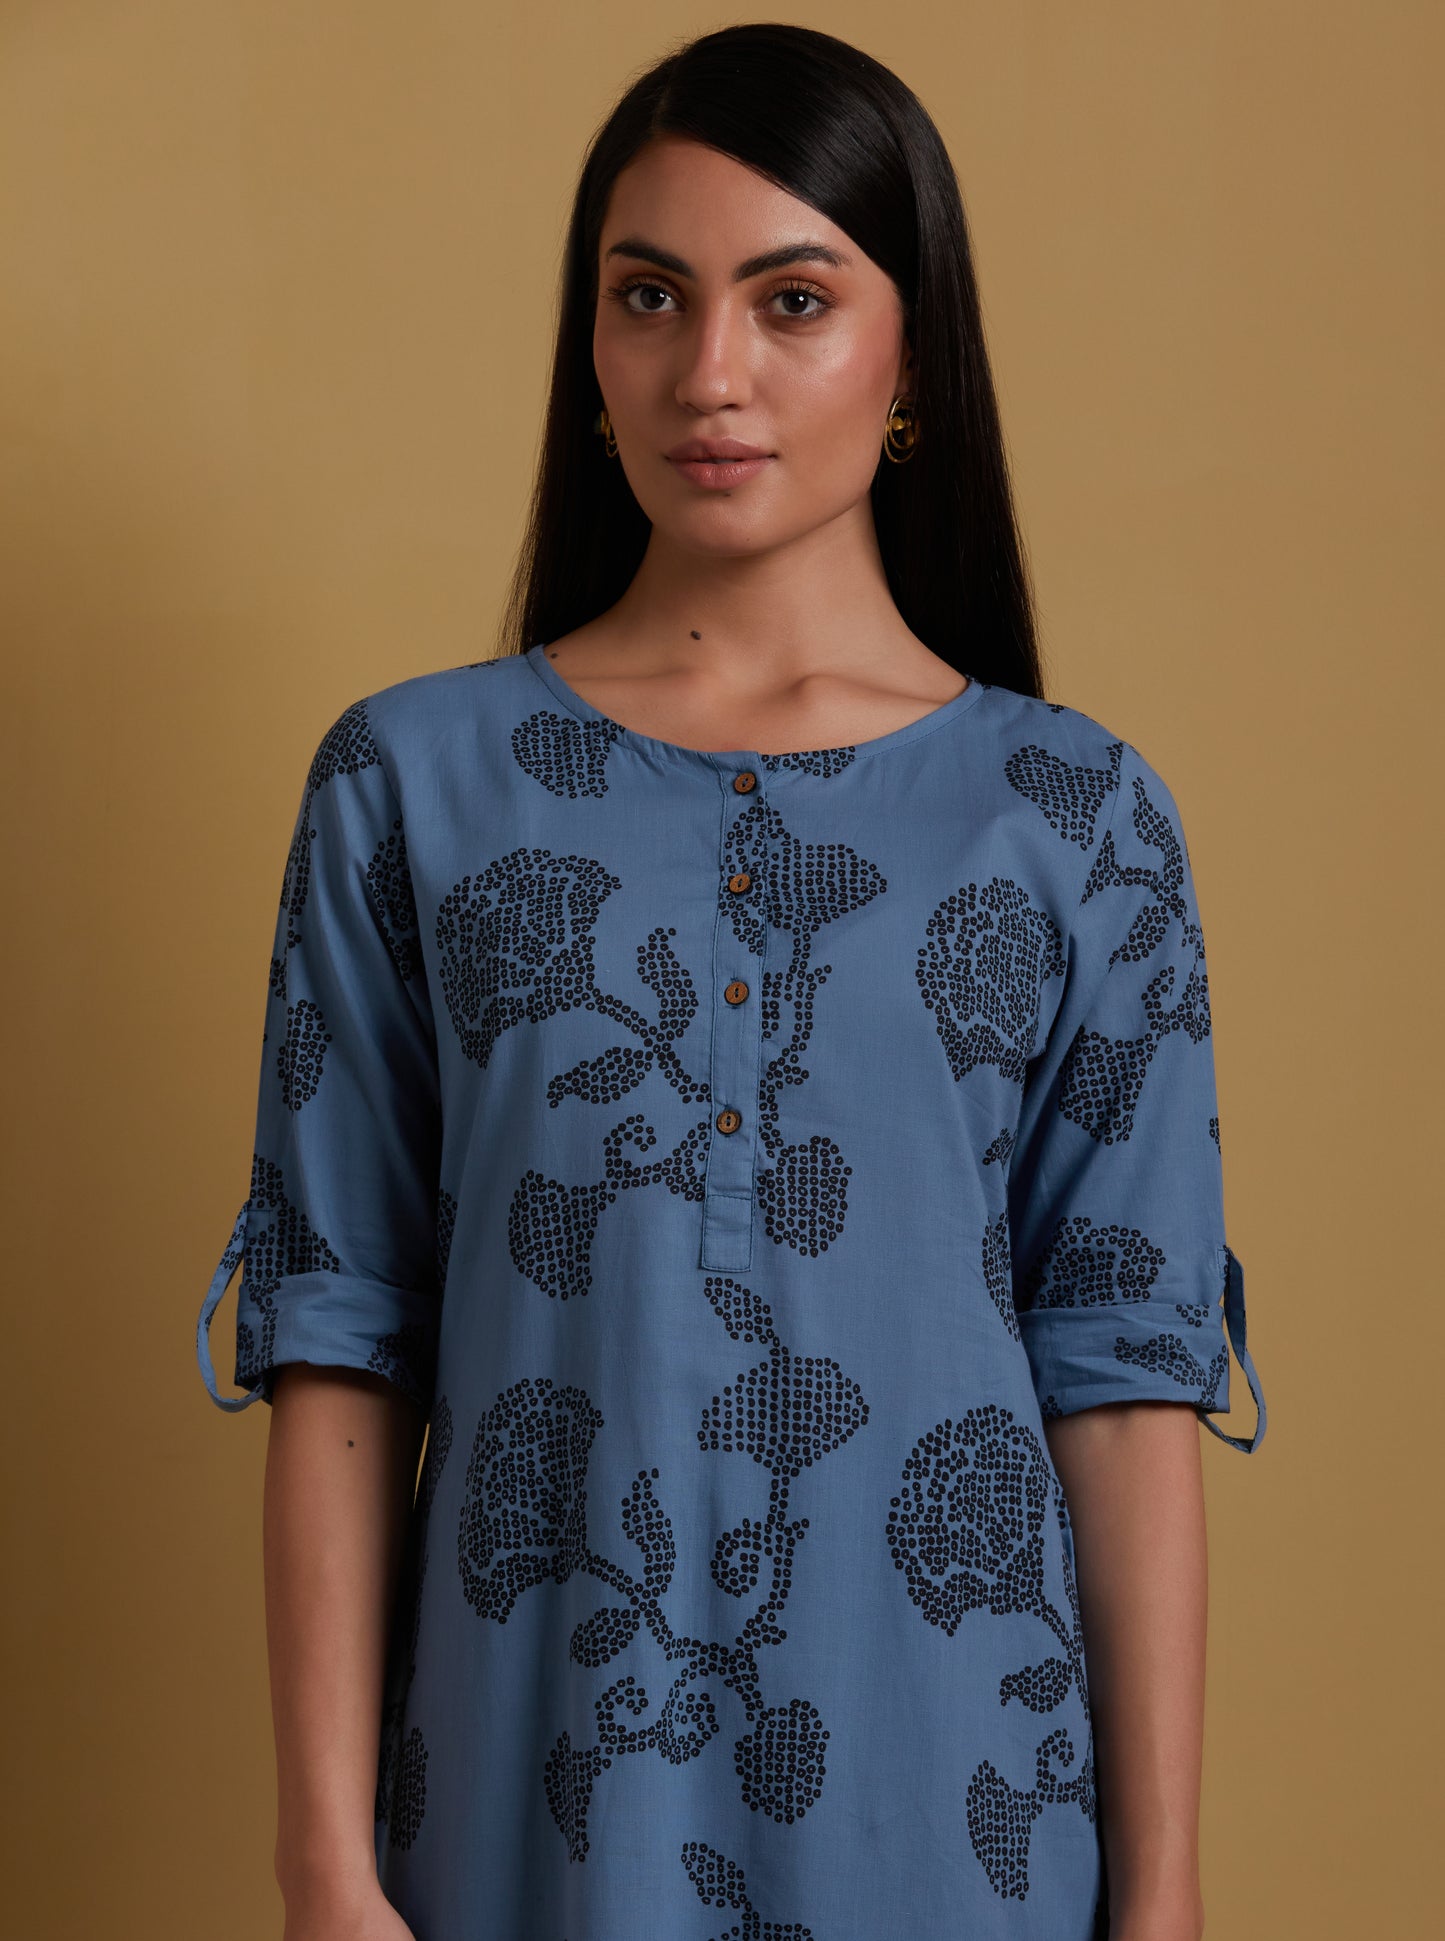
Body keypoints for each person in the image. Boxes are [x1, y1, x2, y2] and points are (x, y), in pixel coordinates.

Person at [194, 22, 1267, 1941]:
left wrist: (1165, 1894)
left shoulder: (1071, 814)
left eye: (792, 301)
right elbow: (341, 1340)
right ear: (589, 344)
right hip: (525, 1819)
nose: (708, 373)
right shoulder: (412, 787)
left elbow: (1120, 1382)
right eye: (648, 298)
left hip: (963, 1825)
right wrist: (322, 1868)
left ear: (910, 352)